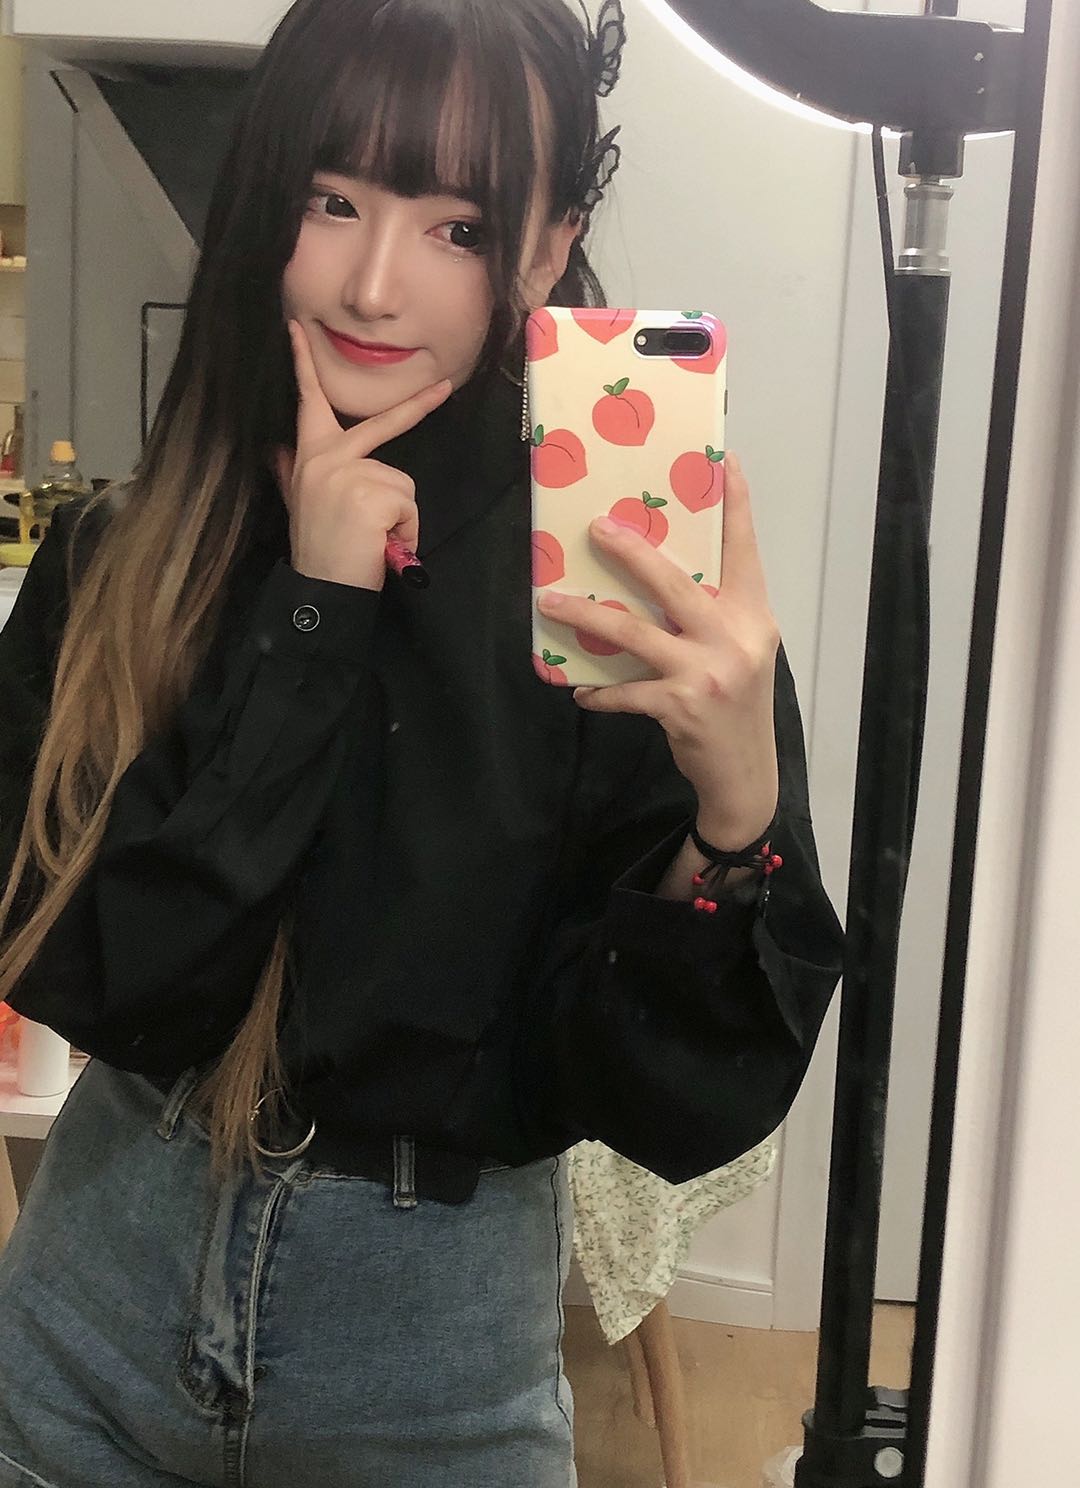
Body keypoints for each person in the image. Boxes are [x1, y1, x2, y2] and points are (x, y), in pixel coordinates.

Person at [0, 0, 844, 1483]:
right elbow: (117, 989)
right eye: (333, 200)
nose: (375, 284)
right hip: (93, 1325)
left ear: (548, 246)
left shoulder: (617, 597)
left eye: (457, 227)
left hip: (432, 1360)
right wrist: (313, 616)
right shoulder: (128, 559)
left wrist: (736, 820)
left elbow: (668, 1103)